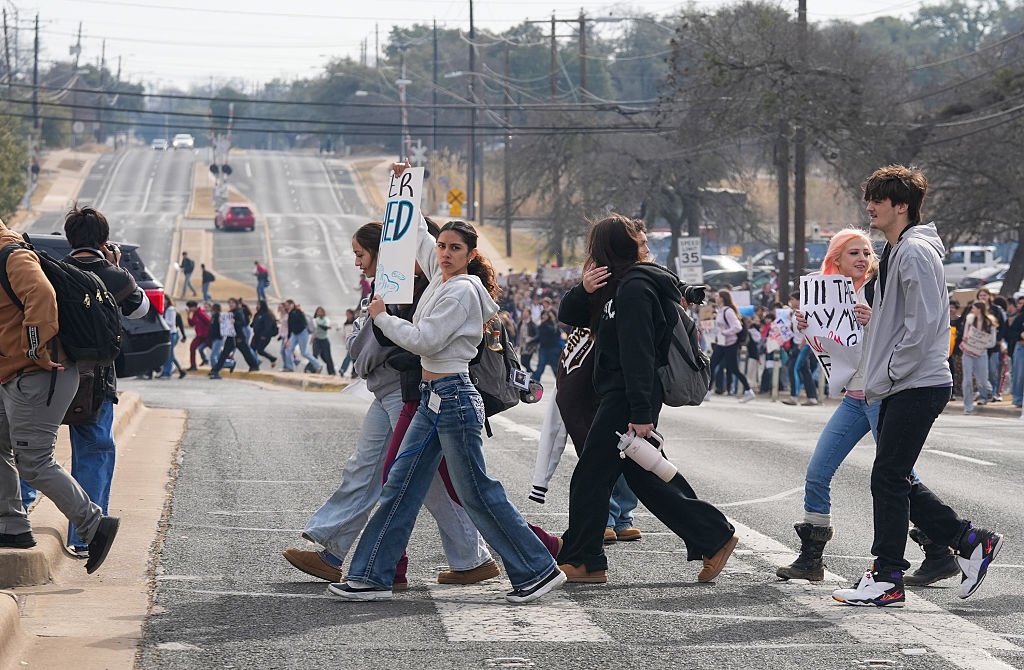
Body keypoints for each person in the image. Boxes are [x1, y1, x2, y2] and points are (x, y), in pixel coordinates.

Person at [330, 208, 565, 604]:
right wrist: (405, 191)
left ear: (471, 254)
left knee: (476, 493)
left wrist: (382, 318)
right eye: (442, 246)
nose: (444, 253)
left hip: (454, 399)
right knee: (400, 486)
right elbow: (420, 240)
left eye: (455, 248)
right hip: (432, 400)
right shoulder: (443, 279)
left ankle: (537, 570)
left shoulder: (461, 291)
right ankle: (372, 575)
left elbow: (426, 340)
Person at [285, 221, 494, 591]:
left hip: (409, 391)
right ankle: (334, 551)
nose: (356, 263)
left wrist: (374, 321)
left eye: (360, 254)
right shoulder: (402, 286)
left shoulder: (423, 287)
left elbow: (377, 346)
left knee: (415, 481)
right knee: (367, 470)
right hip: (387, 391)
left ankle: (478, 559)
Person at [832, 164, 1003, 607]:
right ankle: (968, 541)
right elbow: (896, 323)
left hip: (917, 381)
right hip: (900, 382)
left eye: (878, 199)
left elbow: (927, 325)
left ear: (901, 206)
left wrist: (886, 371)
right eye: (869, 197)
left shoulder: (914, 253)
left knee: (887, 477)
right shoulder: (894, 251)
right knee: (896, 475)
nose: (869, 206)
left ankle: (888, 575)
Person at [556, 213, 738, 585]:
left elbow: (638, 353)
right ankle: (713, 536)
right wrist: (583, 289)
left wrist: (640, 413)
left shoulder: (636, 288)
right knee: (645, 475)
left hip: (627, 394)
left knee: (590, 477)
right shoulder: (616, 284)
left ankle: (585, 561)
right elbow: (569, 314)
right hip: (621, 392)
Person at [0, 217, 119, 573]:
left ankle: (95, 524)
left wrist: (35, 348)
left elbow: (42, 296)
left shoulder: (11, 255)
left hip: (41, 373)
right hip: (14, 374)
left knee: (34, 461)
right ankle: (12, 525)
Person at [707, 290, 755, 403]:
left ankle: (748, 391)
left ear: (722, 298)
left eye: (717, 296)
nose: (715, 297)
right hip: (721, 344)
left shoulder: (728, 311)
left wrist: (725, 332)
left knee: (734, 369)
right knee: (711, 366)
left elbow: (737, 327)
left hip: (730, 344)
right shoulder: (720, 311)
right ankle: (707, 392)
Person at [960, 300, 998, 414]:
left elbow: (992, 342)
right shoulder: (970, 320)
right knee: (967, 380)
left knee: (982, 380)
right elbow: (965, 336)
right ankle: (968, 406)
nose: (972, 310)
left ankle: (990, 392)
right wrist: (967, 339)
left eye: (974, 308)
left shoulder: (989, 323)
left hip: (981, 353)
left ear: (979, 309)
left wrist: (980, 344)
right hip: (968, 353)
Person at [286, 301, 322, 374]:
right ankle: (290, 367)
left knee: (304, 352)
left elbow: (304, 323)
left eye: (289, 305)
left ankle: (318, 365)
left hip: (302, 333)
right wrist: (288, 338)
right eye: (287, 305)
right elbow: (289, 327)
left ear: (292, 305)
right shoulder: (290, 314)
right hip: (294, 334)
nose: (287, 307)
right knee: (288, 350)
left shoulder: (298, 312)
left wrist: (297, 329)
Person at [529, 308, 562, 383]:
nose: (544, 316)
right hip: (543, 349)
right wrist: (532, 340)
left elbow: (554, 332)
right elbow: (540, 337)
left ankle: (560, 382)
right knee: (540, 366)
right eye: (543, 314)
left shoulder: (552, 324)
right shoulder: (541, 325)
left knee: (555, 368)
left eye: (546, 315)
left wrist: (546, 323)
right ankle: (534, 382)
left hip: (553, 349)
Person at [159, 294, 187, 379]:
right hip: (167, 333)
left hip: (172, 333)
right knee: (168, 353)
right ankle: (176, 370)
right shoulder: (165, 309)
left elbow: (171, 323)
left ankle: (167, 372)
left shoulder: (171, 309)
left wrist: (161, 320)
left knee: (169, 354)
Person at [250, 300, 278, 367]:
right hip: (256, 335)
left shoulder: (267, 315)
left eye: (258, 305)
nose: (257, 306)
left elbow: (268, 327)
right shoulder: (258, 314)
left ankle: (272, 358)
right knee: (251, 349)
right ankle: (256, 362)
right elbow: (253, 323)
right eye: (257, 305)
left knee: (260, 350)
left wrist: (264, 335)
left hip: (264, 336)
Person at [186, 301, 211, 370]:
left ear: (194, 307)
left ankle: (228, 359)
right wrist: (188, 316)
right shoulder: (195, 314)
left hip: (206, 336)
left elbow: (209, 322)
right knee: (192, 348)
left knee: (214, 349)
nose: (189, 309)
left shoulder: (201, 313)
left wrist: (208, 333)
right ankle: (193, 365)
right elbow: (192, 324)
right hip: (199, 336)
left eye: (190, 308)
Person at [1009, 296, 1024, 408]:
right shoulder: (1020, 318)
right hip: (1021, 347)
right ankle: (1017, 399)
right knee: (1018, 375)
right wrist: (1020, 335)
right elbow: (1012, 333)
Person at [312, 306, 336, 376]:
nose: (319, 313)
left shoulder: (326, 319)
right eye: (318, 311)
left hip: (324, 340)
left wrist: (319, 325)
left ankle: (331, 372)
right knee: (314, 356)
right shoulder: (315, 319)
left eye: (320, 311)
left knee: (327, 357)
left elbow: (327, 327)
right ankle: (311, 369)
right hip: (316, 340)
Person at [338, 309, 357, 377]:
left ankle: (343, 369)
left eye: (348, 314)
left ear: (352, 315)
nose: (347, 316)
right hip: (349, 342)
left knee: (350, 357)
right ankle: (354, 372)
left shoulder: (355, 322)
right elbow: (344, 333)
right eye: (346, 314)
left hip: (355, 342)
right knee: (352, 358)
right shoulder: (345, 324)